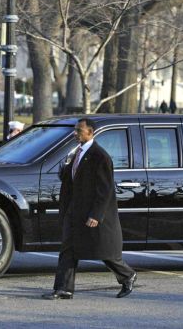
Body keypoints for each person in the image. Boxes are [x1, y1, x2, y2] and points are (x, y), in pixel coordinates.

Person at [42, 118, 137, 300]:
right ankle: (64, 288)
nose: (75, 133)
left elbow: (105, 189)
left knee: (102, 250)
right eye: (75, 130)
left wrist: (96, 214)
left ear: (90, 132)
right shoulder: (77, 152)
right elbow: (71, 180)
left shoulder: (100, 156)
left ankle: (127, 275)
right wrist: (64, 168)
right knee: (68, 249)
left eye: (79, 130)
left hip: (91, 212)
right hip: (74, 210)